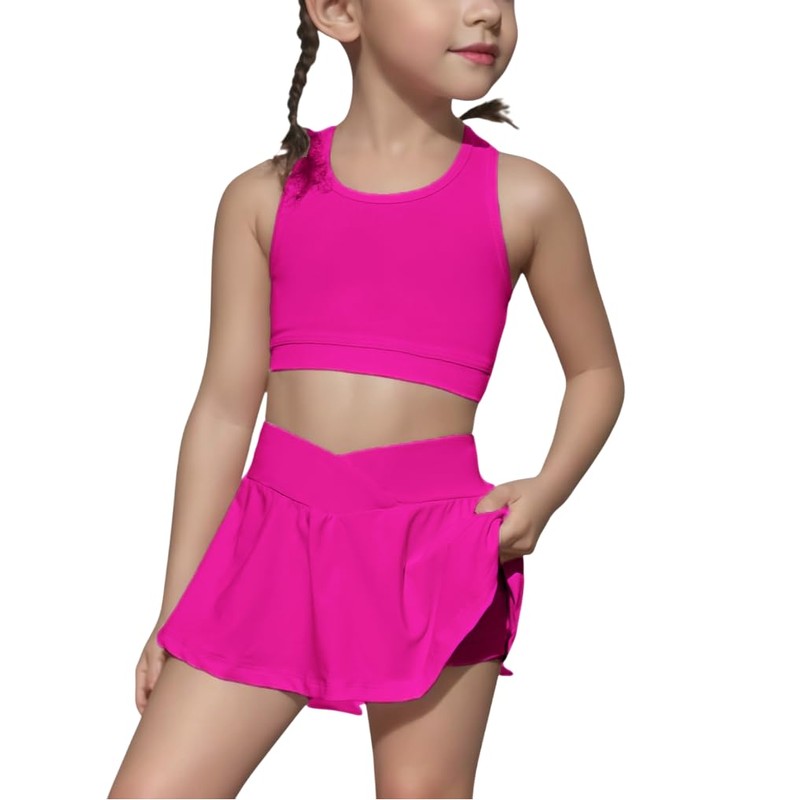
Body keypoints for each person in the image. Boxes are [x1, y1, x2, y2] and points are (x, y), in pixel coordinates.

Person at [108, 1, 624, 797]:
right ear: (341, 11)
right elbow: (223, 411)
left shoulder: (525, 198)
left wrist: (546, 493)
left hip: (437, 553)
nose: (486, 11)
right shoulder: (262, 197)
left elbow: (595, 372)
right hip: (269, 544)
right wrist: (176, 607)